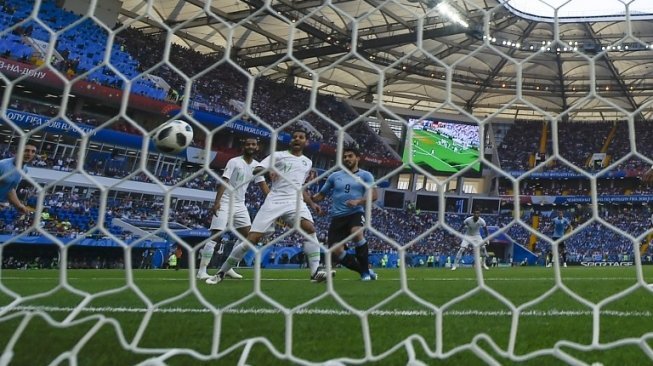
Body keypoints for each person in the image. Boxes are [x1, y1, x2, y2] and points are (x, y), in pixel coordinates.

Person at [207, 129, 330, 284]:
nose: (297, 139)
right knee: (252, 239)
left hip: (295, 201)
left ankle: (315, 273)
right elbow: (257, 169)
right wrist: (270, 169)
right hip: (275, 200)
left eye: (301, 137)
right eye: (294, 137)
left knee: (310, 229)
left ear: (307, 142)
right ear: (291, 141)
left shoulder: (307, 162)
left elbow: (301, 186)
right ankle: (221, 272)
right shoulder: (278, 156)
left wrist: (311, 203)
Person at [196, 138, 270, 280]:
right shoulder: (234, 161)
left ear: (257, 147)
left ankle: (227, 267)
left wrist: (274, 200)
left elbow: (263, 185)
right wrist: (217, 201)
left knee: (248, 238)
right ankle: (202, 271)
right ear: (243, 146)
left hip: (240, 204)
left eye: (253, 144)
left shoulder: (257, 166)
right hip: (225, 201)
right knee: (216, 235)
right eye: (248, 144)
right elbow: (224, 181)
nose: (250, 146)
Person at [312, 146, 378, 281]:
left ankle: (365, 274)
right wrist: (310, 198)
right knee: (337, 251)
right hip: (337, 217)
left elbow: (374, 195)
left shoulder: (366, 175)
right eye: (345, 156)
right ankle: (364, 271)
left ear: (357, 158)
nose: (346, 158)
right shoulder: (334, 176)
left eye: (350, 156)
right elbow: (321, 195)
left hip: (355, 213)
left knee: (357, 233)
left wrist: (359, 201)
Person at [0, 143, 36, 214]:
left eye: (33, 151)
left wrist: (19, 205)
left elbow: (10, 188)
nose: (29, 154)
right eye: (26, 150)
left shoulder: (24, 169)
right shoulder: (2, 165)